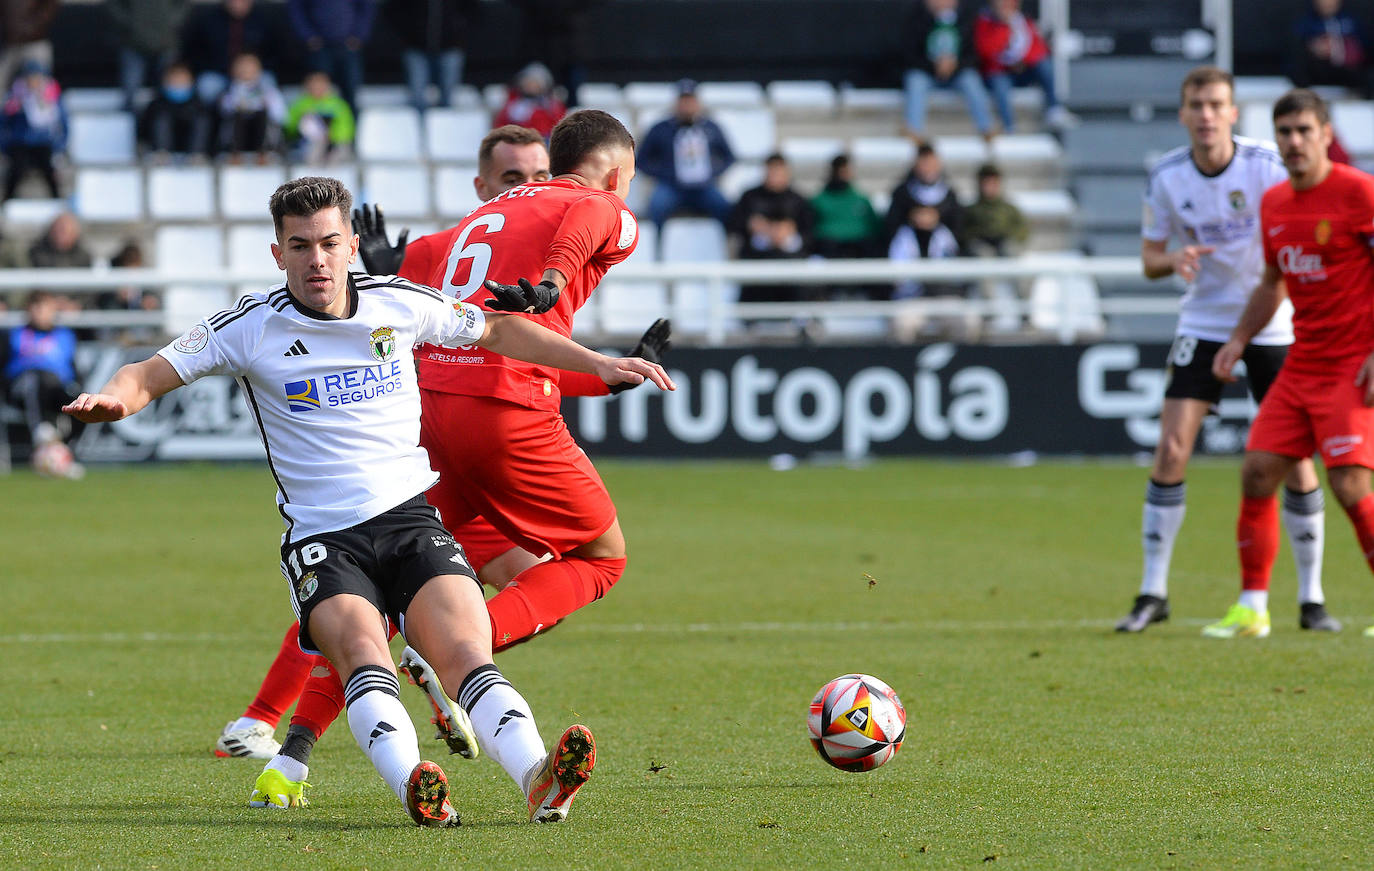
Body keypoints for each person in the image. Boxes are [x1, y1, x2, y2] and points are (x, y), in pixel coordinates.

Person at [66, 175, 673, 822]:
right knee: (362, 653)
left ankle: (536, 776)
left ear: (352, 243)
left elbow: (496, 330)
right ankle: (417, 781)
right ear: (277, 253)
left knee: (468, 654)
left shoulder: (400, 303)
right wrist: (117, 399)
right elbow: (147, 372)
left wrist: (596, 363)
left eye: (329, 242)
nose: (316, 259)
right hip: (325, 539)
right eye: (299, 246)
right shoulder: (249, 325)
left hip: (413, 520)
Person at [214, 124, 671, 776]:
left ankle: (291, 753)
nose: (529, 188)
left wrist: (604, 373)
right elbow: (585, 230)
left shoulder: (458, 234)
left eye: (535, 173)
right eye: (515, 177)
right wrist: (552, 280)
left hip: (435, 424)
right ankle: (436, 663)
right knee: (596, 559)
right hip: (498, 423)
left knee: (375, 590)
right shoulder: (592, 205)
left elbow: (417, 307)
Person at [1117, 67, 1334, 636]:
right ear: (1184, 113)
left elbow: (1289, 248)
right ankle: (1153, 591)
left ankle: (1312, 598)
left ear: (1233, 113)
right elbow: (1148, 259)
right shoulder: (1165, 176)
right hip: (1204, 319)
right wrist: (1176, 259)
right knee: (1170, 447)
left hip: (1273, 323)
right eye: (1197, 104)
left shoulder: (1266, 165)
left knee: (1295, 461)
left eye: (1217, 104)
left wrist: (1251, 326)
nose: (1207, 114)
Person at [1205, 89, 1374, 638]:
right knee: (1256, 472)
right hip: (1303, 362)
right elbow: (1273, 281)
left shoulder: (1359, 193)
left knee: (1350, 484)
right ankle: (1253, 607)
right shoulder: (1275, 203)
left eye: (1304, 130)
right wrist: (1238, 339)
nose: (1294, 142)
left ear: (1327, 133)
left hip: (1354, 364)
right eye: (1285, 132)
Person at [636, 78, 735, 228]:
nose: (687, 106)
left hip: (704, 186)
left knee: (724, 207)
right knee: (656, 206)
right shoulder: (660, 128)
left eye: (691, 101)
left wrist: (713, 171)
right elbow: (641, 160)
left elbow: (729, 157)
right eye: (683, 101)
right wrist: (663, 173)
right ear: (676, 103)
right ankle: (656, 246)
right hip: (671, 186)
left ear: (698, 103)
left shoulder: (711, 127)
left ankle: (723, 246)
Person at [3, 290, 81, 476]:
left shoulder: (65, 336)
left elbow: (74, 369)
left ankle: (64, 453)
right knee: (34, 381)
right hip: (22, 388)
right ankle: (40, 431)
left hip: (56, 388)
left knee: (82, 403)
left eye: (44, 307)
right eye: (36, 307)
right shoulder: (14, 335)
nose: (40, 312)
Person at [972, 0, 1076, 133]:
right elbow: (986, 51)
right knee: (1000, 84)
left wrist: (1022, 60)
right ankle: (1009, 127)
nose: (1005, 8)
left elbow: (1038, 50)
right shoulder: (984, 22)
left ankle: (1054, 109)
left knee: (1044, 64)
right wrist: (1006, 31)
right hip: (998, 72)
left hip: (1023, 71)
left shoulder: (1023, 22)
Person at [727, 152, 816, 306]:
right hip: (756, 258)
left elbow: (809, 233)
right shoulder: (749, 197)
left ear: (787, 172)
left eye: (779, 171)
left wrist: (790, 234)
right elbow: (733, 225)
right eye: (771, 171)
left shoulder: (798, 199)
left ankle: (801, 317)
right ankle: (750, 318)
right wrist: (754, 226)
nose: (774, 176)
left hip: (791, 260)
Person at [900, 0, 995, 143]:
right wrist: (935, 65)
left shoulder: (966, 20)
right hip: (928, 74)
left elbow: (973, 55)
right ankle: (913, 130)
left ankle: (986, 128)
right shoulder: (916, 19)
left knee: (971, 79)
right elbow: (909, 55)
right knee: (915, 80)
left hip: (957, 74)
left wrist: (954, 65)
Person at [180, 0, 284, 104]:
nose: (237, 3)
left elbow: (275, 53)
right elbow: (194, 52)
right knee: (207, 86)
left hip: (254, 74)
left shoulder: (265, 18)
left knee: (268, 83)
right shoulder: (206, 19)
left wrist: (253, 67)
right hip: (220, 75)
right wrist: (227, 67)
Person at [385, 0, 480, 111]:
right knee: (417, 96)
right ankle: (417, 127)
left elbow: (474, 11)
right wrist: (410, 31)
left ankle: (445, 126)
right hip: (416, 47)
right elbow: (393, 10)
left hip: (450, 47)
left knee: (448, 96)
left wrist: (458, 30)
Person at [287, 0, 375, 112]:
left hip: (348, 46)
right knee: (317, 92)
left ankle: (350, 128)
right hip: (318, 47)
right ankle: (316, 128)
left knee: (350, 92)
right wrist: (308, 37)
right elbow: (296, 9)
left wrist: (359, 36)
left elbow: (366, 8)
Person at [106, 0, 190, 111]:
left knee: (168, 90)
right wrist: (129, 21)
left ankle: (164, 116)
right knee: (130, 87)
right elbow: (113, 5)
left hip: (165, 40)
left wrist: (171, 19)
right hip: (133, 41)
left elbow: (184, 4)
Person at [0, 59, 65, 201]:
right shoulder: (16, 98)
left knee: (50, 171)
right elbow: (4, 121)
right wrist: (4, 146)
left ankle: (57, 202)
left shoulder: (51, 98)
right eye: (30, 77)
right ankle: (7, 202)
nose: (33, 81)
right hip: (20, 143)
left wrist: (60, 146)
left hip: (43, 143)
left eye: (37, 77)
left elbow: (62, 123)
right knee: (15, 170)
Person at [884, 142, 964, 248]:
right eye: (924, 164)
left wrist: (937, 218)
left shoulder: (949, 194)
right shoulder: (902, 193)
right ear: (915, 165)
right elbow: (891, 225)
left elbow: (958, 226)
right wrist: (912, 218)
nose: (928, 169)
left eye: (931, 164)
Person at [1289, 0, 1374, 98]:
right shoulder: (1305, 23)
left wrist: (1343, 46)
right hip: (1318, 71)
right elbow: (1295, 50)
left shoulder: (1352, 21)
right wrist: (1313, 47)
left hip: (1348, 71)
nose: (1327, 3)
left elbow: (1365, 46)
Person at [217, 52, 286, 163]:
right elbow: (223, 112)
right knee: (238, 114)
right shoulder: (228, 91)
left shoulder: (269, 91)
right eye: (242, 66)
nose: (246, 69)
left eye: (250, 66)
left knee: (262, 114)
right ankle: (235, 154)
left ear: (259, 69)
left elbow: (280, 116)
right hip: (238, 137)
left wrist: (264, 105)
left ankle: (263, 153)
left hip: (262, 135)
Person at [138, 61, 212, 162]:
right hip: (161, 153)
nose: (178, 83)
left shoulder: (200, 104)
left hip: (192, 151)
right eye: (174, 79)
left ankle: (196, 156)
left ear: (191, 81)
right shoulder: (155, 104)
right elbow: (143, 132)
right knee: (161, 118)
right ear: (165, 81)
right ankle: (162, 154)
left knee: (202, 120)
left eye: (182, 79)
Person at [284, 70, 355, 164]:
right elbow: (289, 128)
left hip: (335, 144)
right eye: (314, 84)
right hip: (307, 144)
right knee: (311, 150)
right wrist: (302, 122)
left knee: (336, 154)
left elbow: (347, 129)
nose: (317, 87)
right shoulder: (299, 104)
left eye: (320, 84)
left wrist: (331, 136)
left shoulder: (338, 104)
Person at [492, 62, 567, 141]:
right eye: (528, 83)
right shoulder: (513, 105)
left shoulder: (551, 105)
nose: (530, 86)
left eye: (535, 83)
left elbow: (559, 124)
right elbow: (501, 125)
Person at [0, 0, 58, 94]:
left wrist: (30, 29)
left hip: (35, 42)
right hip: (9, 44)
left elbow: (49, 7)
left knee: (39, 86)